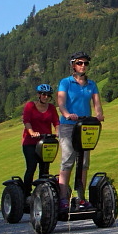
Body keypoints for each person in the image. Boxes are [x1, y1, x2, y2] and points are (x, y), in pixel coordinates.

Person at [56, 52, 104, 210]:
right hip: (68, 125)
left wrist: (99, 115)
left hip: (84, 125)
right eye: (79, 63)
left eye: (85, 63)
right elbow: (61, 102)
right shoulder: (65, 82)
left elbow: (96, 102)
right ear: (73, 65)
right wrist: (67, 114)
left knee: (83, 162)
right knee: (68, 159)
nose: (82, 66)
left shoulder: (91, 84)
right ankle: (63, 198)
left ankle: (81, 198)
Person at [21, 83, 59, 190]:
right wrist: (32, 132)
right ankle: (26, 193)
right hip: (30, 143)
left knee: (45, 168)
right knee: (31, 166)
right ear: (38, 95)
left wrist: (58, 132)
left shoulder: (51, 108)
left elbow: (56, 122)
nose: (46, 97)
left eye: (48, 95)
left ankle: (42, 192)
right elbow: (26, 121)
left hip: (45, 142)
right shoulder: (30, 106)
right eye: (43, 94)